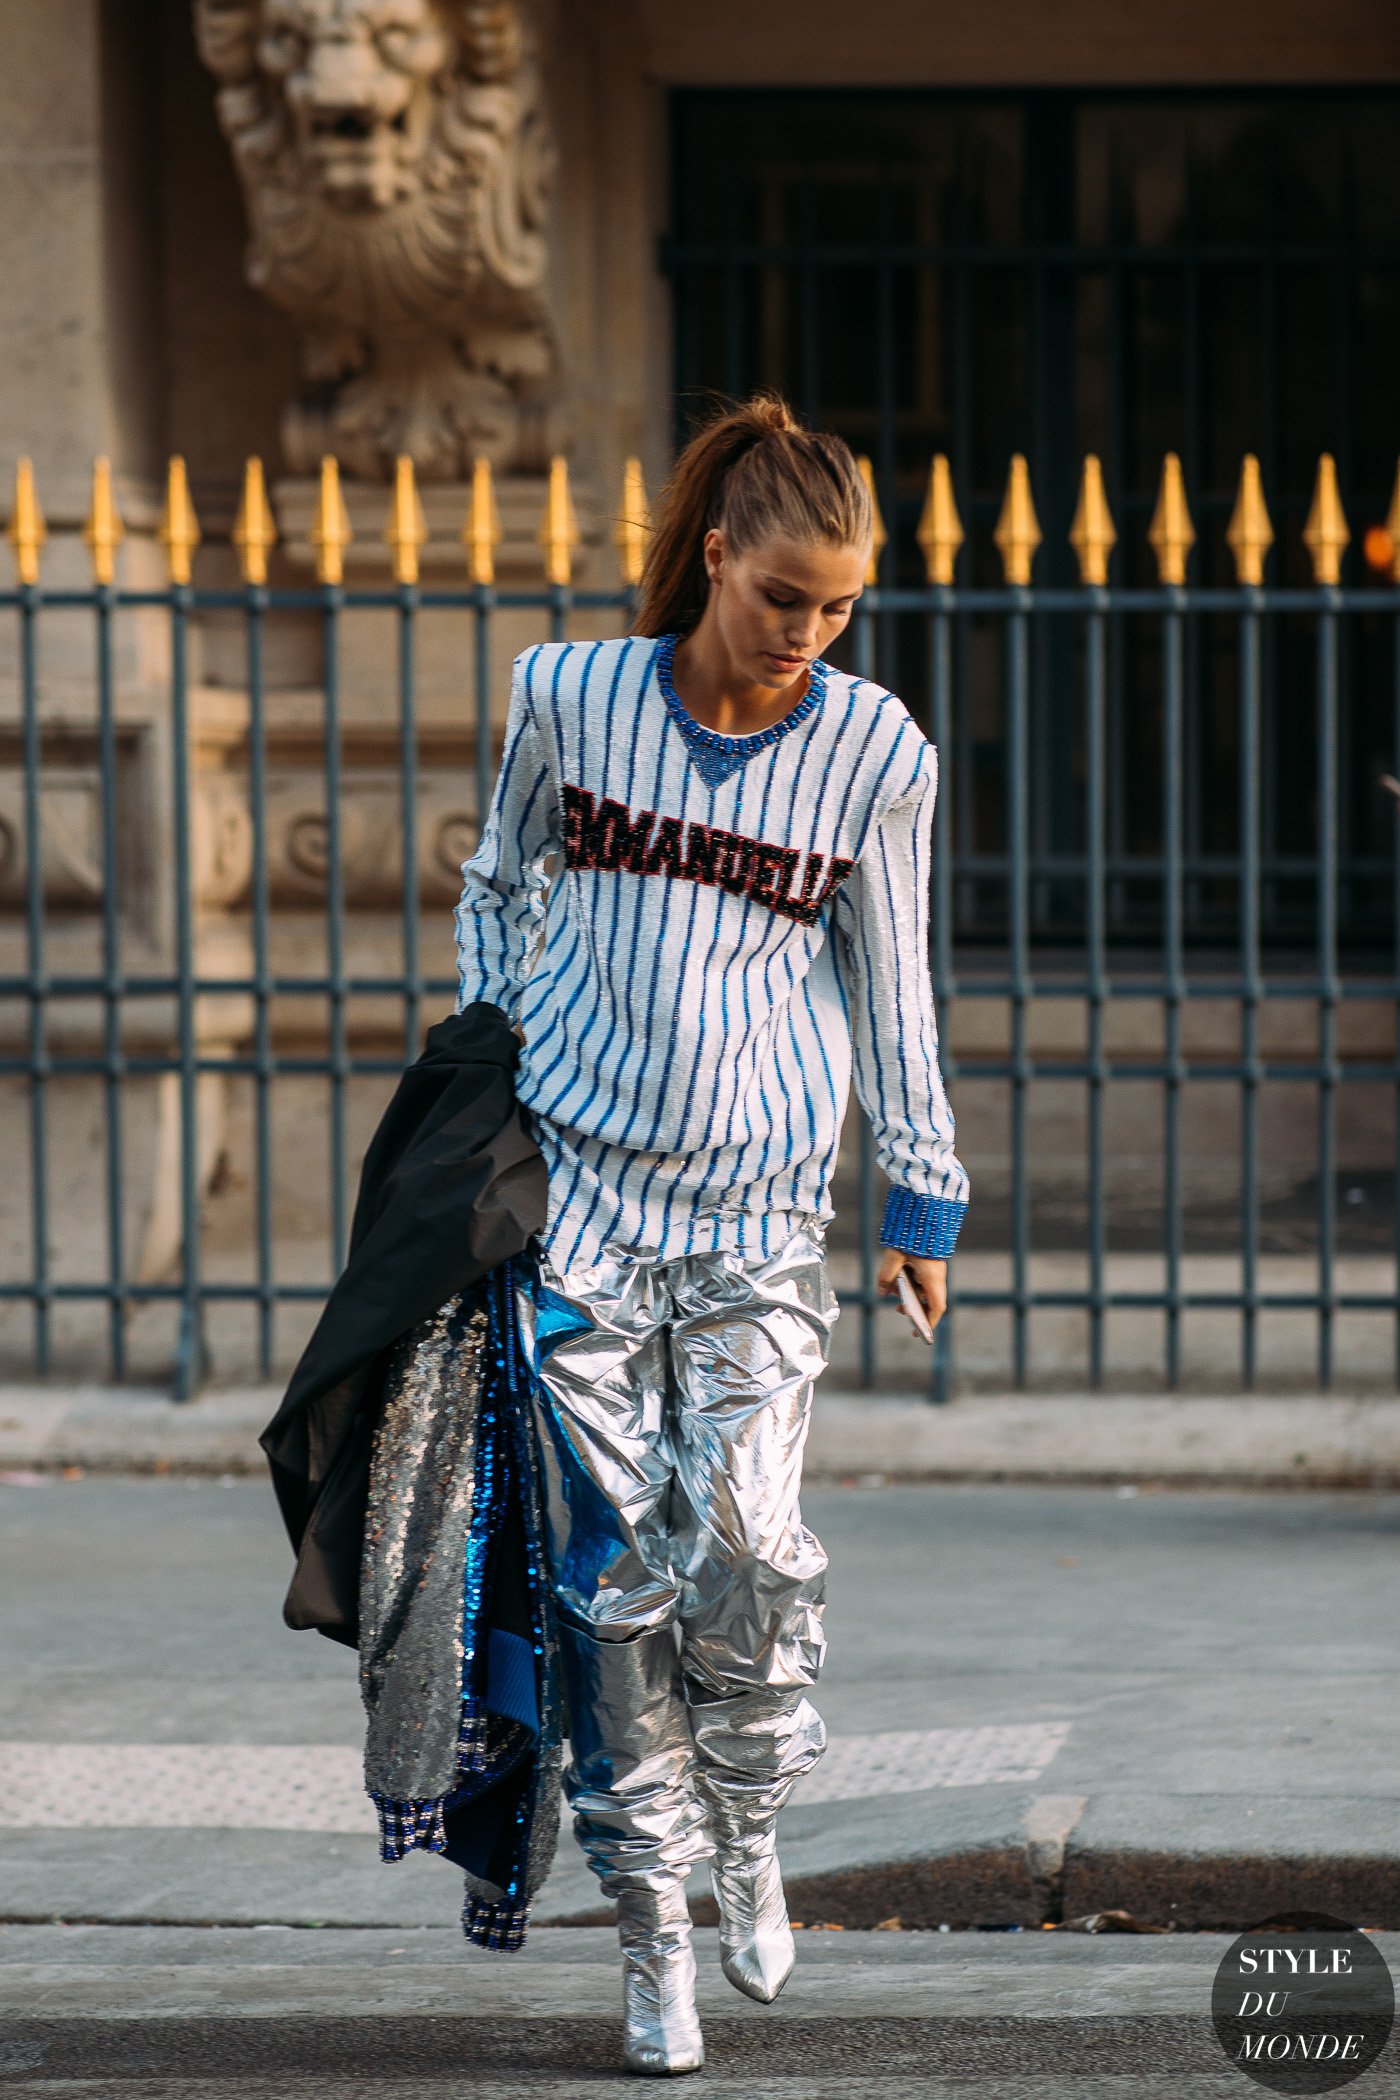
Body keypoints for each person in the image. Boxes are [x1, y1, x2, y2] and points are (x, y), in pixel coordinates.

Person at [452, 393, 969, 2074]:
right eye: (783, 600)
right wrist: (496, 1047)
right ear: (719, 555)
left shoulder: (873, 748)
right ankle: (650, 1925)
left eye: (839, 608)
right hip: (583, 1196)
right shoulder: (568, 697)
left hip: (757, 1207)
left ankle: (750, 1825)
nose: (808, 637)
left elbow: (895, 976)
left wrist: (919, 1190)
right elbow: (497, 877)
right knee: (610, 1580)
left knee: (745, 1549)